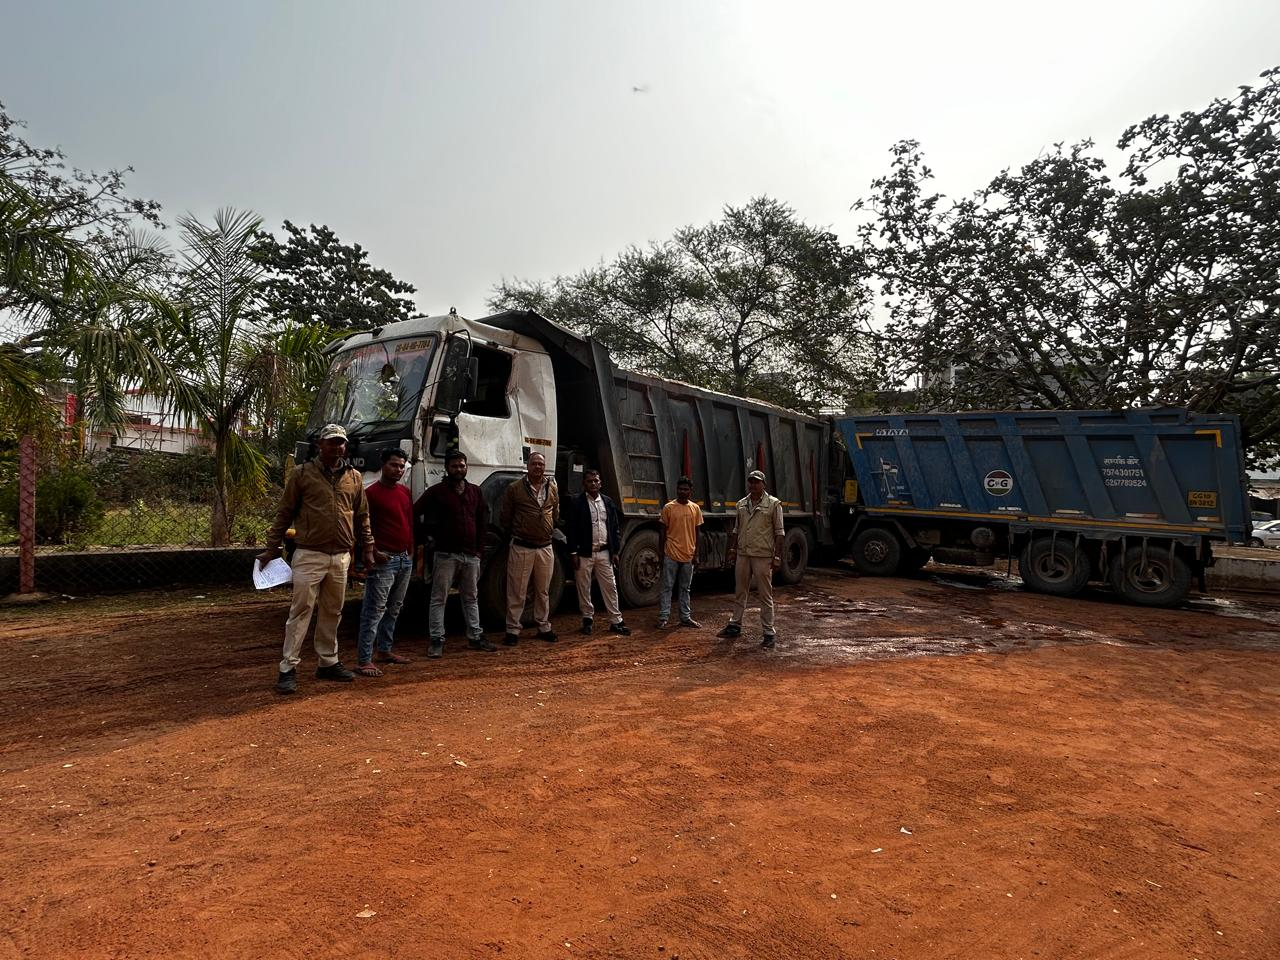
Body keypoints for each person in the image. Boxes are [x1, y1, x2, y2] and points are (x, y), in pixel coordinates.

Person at [259, 423, 376, 694]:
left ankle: (328, 661)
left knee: (333, 611)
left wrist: (368, 546)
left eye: (341, 443)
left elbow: (362, 516)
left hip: (340, 557)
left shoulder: (354, 477)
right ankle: (288, 667)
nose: (337, 447)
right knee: (301, 612)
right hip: (310, 554)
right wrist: (271, 548)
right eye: (332, 442)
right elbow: (284, 513)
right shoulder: (302, 474)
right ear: (319, 445)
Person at [417, 450, 494, 658]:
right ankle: (436, 640)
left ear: (466, 467)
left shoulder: (475, 492)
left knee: (470, 597)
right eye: (454, 466)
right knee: (438, 598)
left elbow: (482, 521)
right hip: (445, 555)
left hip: (471, 556)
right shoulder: (437, 492)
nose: (458, 469)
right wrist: (428, 538)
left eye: (461, 465)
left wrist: (479, 551)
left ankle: (475, 637)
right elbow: (415, 513)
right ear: (447, 468)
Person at [353, 448, 414, 678]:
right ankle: (364, 659)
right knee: (374, 610)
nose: (398, 469)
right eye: (393, 465)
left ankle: (385, 650)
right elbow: (361, 528)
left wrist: (410, 552)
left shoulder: (405, 493)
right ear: (383, 465)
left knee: (394, 608)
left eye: (401, 466)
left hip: (403, 559)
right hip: (383, 560)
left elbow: (409, 523)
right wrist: (373, 552)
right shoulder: (371, 494)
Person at [717, 469, 785, 648]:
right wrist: (732, 550)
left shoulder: (773, 504)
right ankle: (735, 625)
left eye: (756, 482)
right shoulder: (741, 504)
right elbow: (736, 530)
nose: (753, 485)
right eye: (751, 482)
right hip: (743, 554)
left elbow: (779, 533)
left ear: (763, 484)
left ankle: (769, 632)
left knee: (765, 595)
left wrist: (777, 556)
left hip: (763, 556)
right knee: (740, 591)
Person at [498, 451, 559, 645]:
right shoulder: (514, 488)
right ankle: (512, 630)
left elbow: (555, 512)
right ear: (528, 466)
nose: (538, 467)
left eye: (541, 464)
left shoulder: (553, 487)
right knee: (517, 590)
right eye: (534, 464)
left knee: (543, 591)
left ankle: (543, 626)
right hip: (522, 546)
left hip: (545, 547)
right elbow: (505, 517)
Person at [565, 467, 631, 636]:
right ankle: (587, 619)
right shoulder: (576, 502)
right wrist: (573, 553)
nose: (593, 484)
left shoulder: (608, 502)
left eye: (596, 481)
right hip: (583, 553)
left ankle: (616, 621)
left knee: (610, 586)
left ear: (600, 483)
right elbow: (571, 529)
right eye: (589, 481)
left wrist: (615, 551)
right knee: (583, 587)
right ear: (584, 484)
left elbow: (614, 528)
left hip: (604, 553)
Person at [657, 476, 703, 629]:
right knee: (667, 586)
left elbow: (698, 532)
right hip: (671, 553)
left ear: (690, 491)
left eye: (686, 489)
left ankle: (685, 617)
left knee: (685, 588)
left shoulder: (695, 509)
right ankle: (663, 617)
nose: (683, 491)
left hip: (688, 555)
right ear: (676, 490)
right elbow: (662, 532)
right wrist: (661, 553)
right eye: (680, 489)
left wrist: (696, 554)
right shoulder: (668, 507)